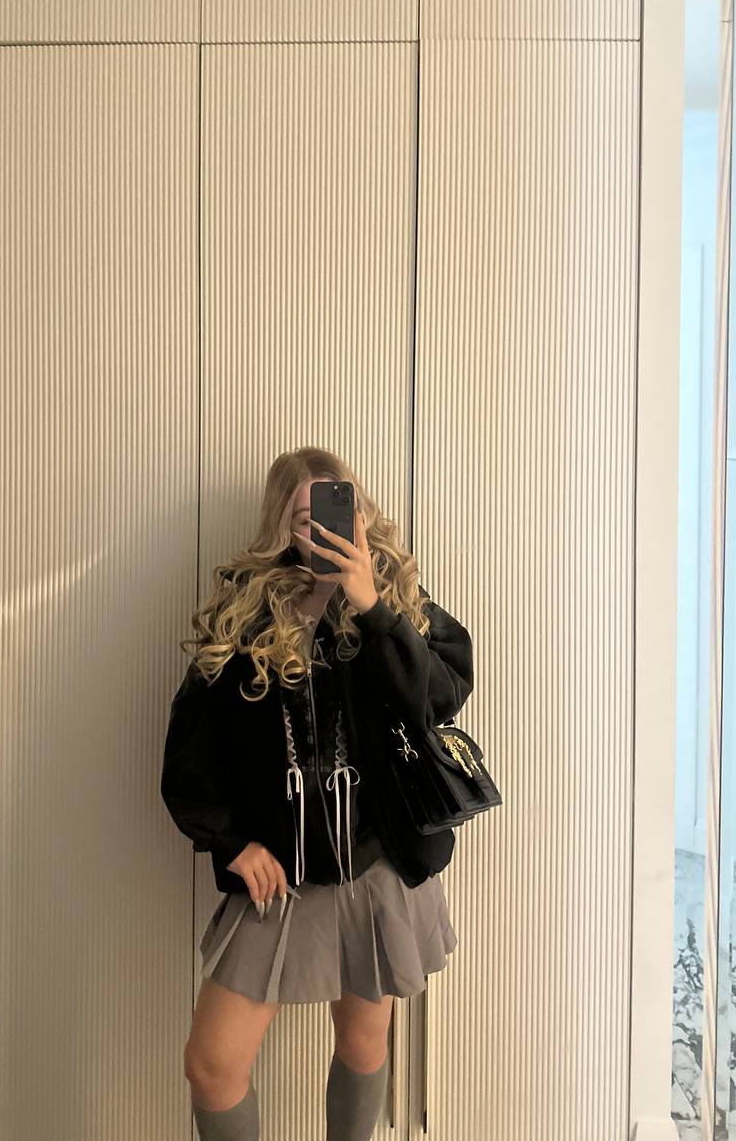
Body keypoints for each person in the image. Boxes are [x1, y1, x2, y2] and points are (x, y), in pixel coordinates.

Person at [160, 448, 474, 1141]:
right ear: (283, 526)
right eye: (307, 518)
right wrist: (229, 842)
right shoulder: (245, 615)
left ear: (360, 513)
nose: (326, 530)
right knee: (212, 1064)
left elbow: (439, 699)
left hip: (379, 862)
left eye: (338, 510)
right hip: (282, 872)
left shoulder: (398, 601)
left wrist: (372, 606)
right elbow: (193, 743)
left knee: (364, 1041)